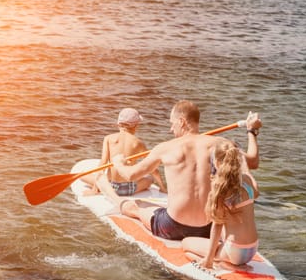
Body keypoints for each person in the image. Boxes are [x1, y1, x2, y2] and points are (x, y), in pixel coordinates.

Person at [102, 100, 262, 240]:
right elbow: (253, 162)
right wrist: (252, 131)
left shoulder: (165, 148)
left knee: (136, 205)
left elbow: (130, 175)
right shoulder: (221, 145)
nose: (171, 129)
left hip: (171, 227)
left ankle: (112, 197)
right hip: (207, 229)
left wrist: (118, 162)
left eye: (172, 123)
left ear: (182, 121)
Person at [181, 142, 259, 270]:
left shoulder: (220, 187)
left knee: (186, 244)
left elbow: (217, 225)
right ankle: (230, 259)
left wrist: (209, 259)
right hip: (253, 248)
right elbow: (256, 193)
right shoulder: (246, 180)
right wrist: (246, 170)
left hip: (235, 250)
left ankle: (228, 265)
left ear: (216, 162)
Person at [81, 108, 166, 196]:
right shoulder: (138, 143)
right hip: (128, 189)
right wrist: (162, 188)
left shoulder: (108, 138)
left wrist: (95, 189)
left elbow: (102, 165)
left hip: (110, 187)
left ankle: (100, 189)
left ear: (118, 124)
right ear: (136, 125)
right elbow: (152, 169)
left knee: (82, 175)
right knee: (150, 179)